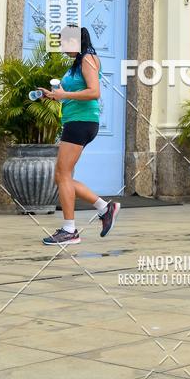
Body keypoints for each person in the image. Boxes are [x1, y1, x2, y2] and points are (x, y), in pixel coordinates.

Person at [40, 26, 120, 245]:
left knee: (62, 174)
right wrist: (55, 97)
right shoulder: (77, 62)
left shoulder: (88, 59)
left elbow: (94, 91)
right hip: (75, 120)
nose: (62, 46)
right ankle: (105, 208)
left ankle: (70, 231)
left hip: (82, 122)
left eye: (64, 42)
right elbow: (76, 93)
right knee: (62, 176)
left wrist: (65, 94)